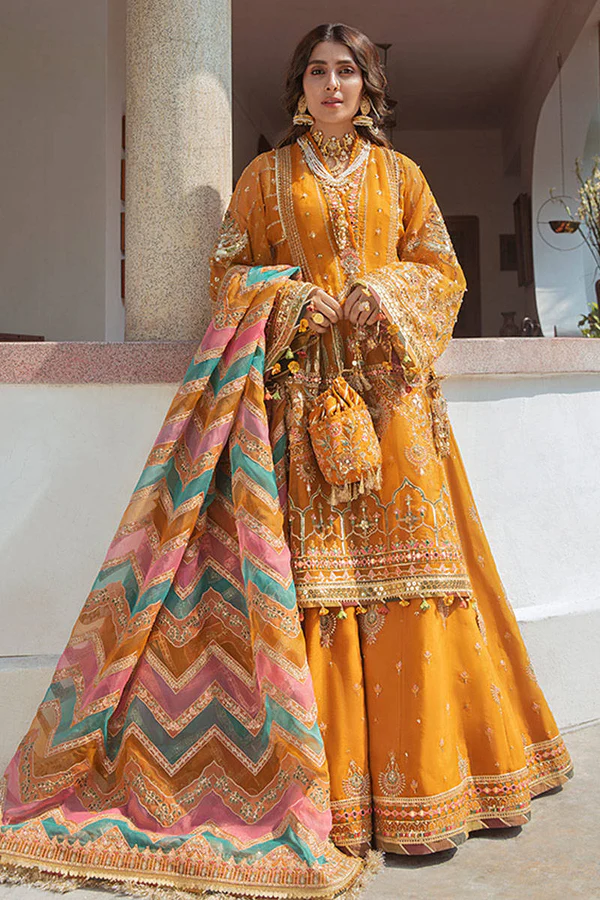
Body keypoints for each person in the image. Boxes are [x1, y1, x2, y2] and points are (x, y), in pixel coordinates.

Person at [0, 21, 571, 900]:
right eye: (317, 71)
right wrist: (286, 293)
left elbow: (442, 271)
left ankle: (428, 797)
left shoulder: (402, 176)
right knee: (318, 584)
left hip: (395, 413)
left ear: (370, 88)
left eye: (348, 72)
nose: (332, 85)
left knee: (412, 578)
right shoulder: (266, 180)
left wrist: (385, 293)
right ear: (298, 88)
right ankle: (331, 801)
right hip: (302, 404)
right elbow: (228, 273)